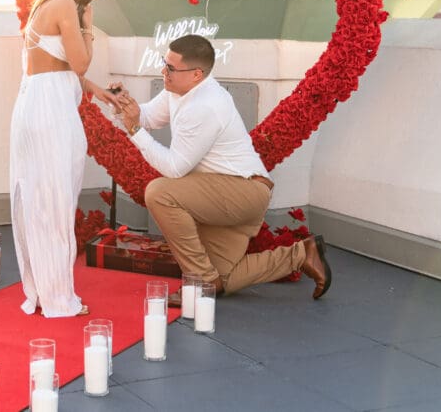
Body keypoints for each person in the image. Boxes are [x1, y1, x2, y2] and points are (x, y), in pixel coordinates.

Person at [113, 34, 330, 304]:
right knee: (222, 278)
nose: (163, 72)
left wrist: (133, 130)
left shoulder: (205, 106)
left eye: (170, 68)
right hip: (226, 191)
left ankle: (199, 280)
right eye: (164, 63)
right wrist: (124, 105)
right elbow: (147, 117)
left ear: (196, 74)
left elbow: (173, 168)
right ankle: (302, 255)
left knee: (159, 192)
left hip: (243, 192)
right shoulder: (178, 90)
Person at [9, 0, 119, 317]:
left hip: (34, 106)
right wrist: (89, 23)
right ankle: (58, 299)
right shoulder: (68, 7)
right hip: (52, 113)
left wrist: (94, 89)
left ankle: (41, 291)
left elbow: (55, 65)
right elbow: (80, 60)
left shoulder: (46, 3)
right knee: (56, 200)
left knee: (37, 201)